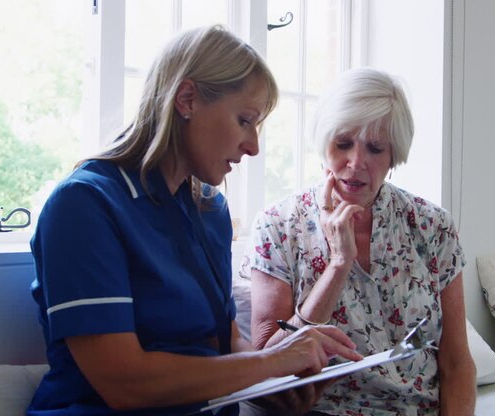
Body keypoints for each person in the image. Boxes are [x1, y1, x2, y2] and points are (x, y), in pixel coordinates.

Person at [27, 25, 362, 416]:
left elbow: (226, 342)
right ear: (187, 99)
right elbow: (124, 384)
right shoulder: (85, 205)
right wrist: (272, 361)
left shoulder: (209, 211)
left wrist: (276, 384)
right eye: (245, 120)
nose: (253, 146)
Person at [240, 67, 476, 416]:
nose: (355, 163)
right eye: (343, 144)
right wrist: (338, 265)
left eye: (375, 148)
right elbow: (268, 363)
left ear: (394, 155)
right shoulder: (278, 226)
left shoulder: (432, 226)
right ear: (324, 144)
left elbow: (456, 362)